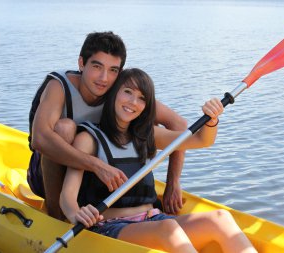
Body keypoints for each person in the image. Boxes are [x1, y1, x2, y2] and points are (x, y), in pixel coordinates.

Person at [60, 68, 257, 253]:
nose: (133, 102)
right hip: (111, 227)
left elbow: (201, 140)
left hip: (154, 219)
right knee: (168, 227)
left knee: (220, 219)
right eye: (127, 92)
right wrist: (76, 214)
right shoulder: (88, 139)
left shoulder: (147, 134)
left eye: (141, 98)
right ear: (113, 93)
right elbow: (67, 197)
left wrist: (212, 119)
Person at [27, 32, 187, 220]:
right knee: (65, 128)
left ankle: (132, 208)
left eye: (113, 70)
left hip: (95, 180)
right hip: (48, 176)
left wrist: (173, 182)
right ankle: (57, 216)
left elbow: (178, 125)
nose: (104, 78)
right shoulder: (59, 86)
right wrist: (96, 166)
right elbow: (40, 139)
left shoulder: (119, 90)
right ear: (81, 63)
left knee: (144, 119)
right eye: (97, 66)